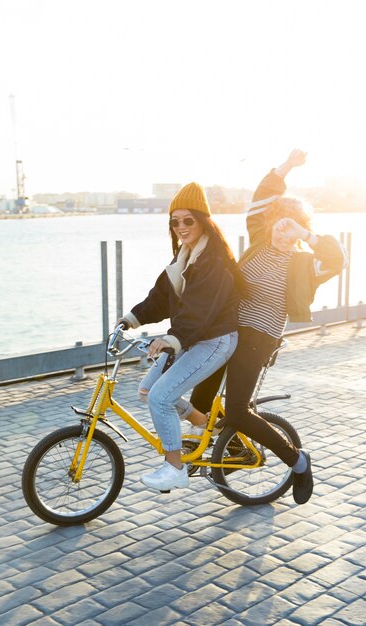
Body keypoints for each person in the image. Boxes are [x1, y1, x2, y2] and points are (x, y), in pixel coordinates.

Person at [187, 149, 348, 505]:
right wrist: (287, 166)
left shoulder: (304, 266)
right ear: (271, 222)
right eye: (279, 222)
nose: (283, 230)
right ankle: (225, 448)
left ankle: (297, 461)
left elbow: (338, 259)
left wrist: (305, 232)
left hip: (259, 340)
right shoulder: (258, 243)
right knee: (198, 394)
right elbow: (261, 199)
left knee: (238, 410)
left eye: (291, 227)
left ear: (298, 232)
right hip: (227, 332)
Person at [117, 182, 243, 492]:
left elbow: (200, 310)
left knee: (161, 397)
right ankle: (211, 428)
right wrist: (131, 319)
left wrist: (173, 339)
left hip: (215, 341)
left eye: (188, 220)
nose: (181, 227)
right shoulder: (184, 257)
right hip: (194, 338)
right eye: (175, 221)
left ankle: (175, 467)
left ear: (203, 221)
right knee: (148, 391)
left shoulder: (213, 261)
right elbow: (161, 298)